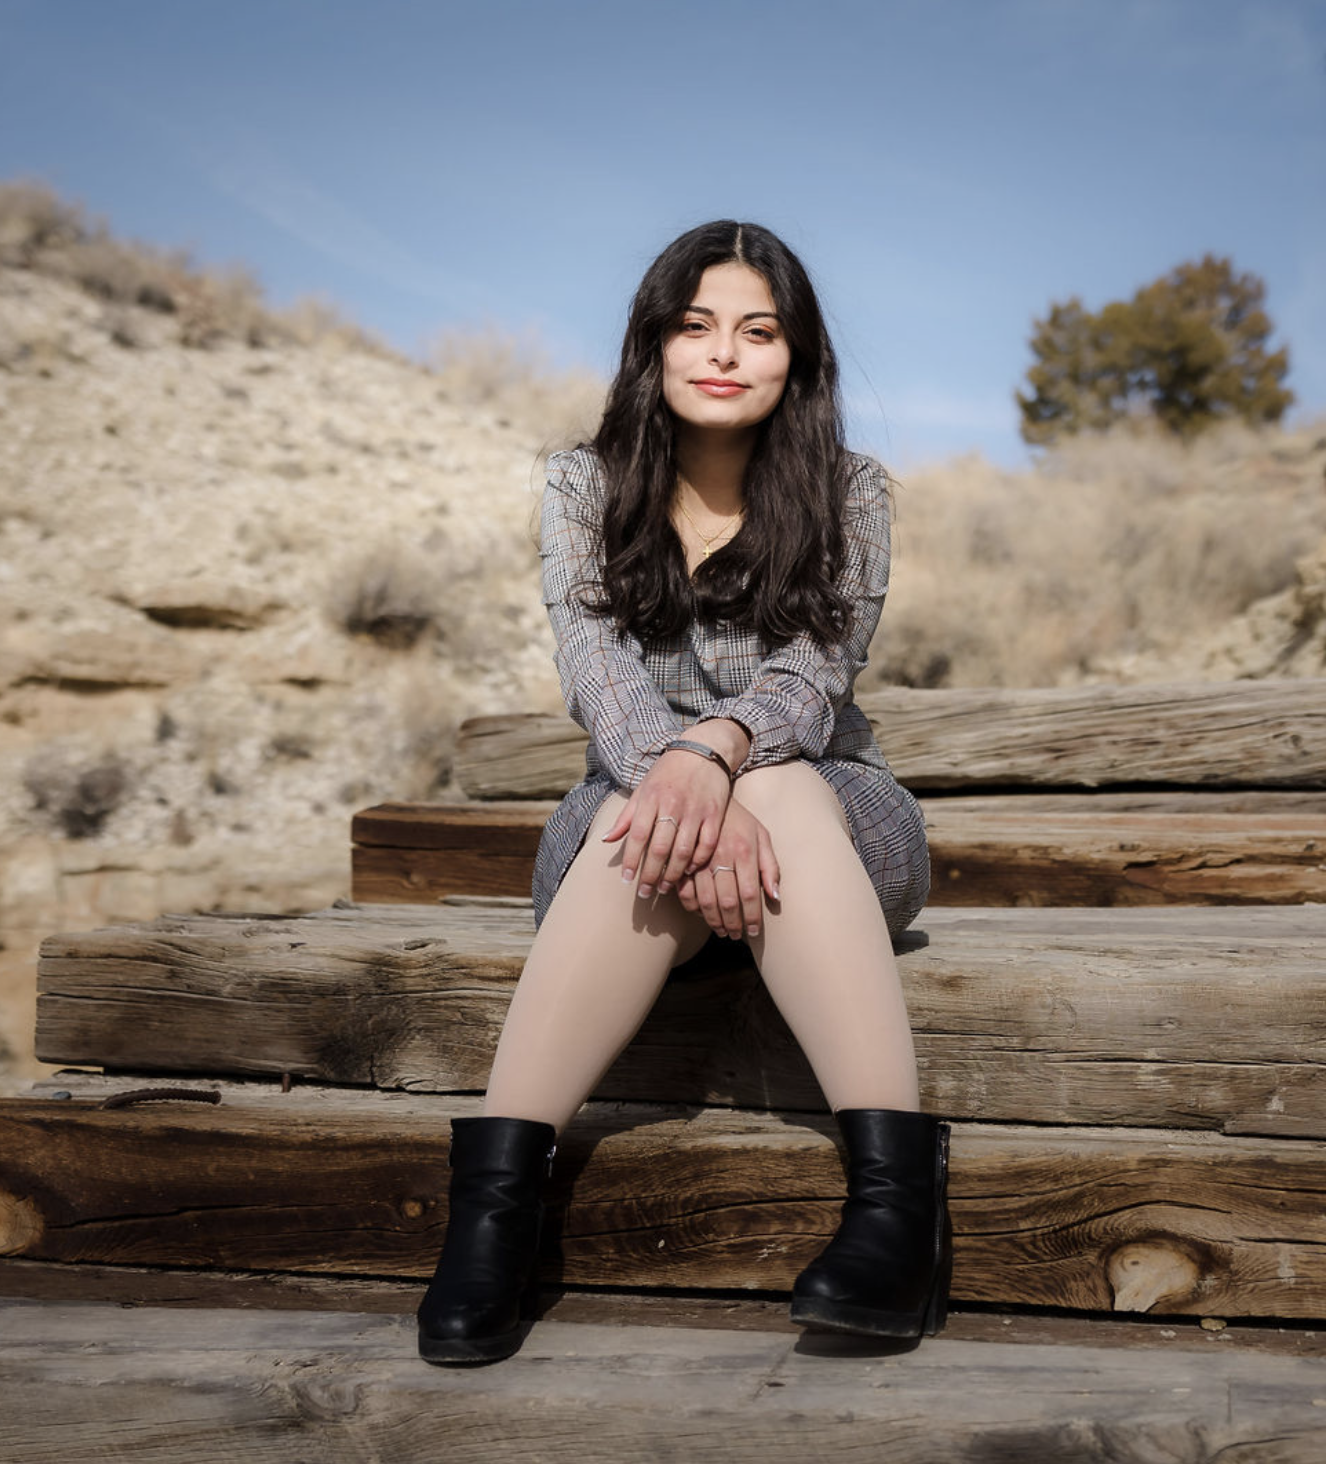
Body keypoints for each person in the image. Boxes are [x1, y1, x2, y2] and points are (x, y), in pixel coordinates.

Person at [415, 220, 942, 1365]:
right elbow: (598, 678)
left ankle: (896, 1221)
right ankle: (494, 1223)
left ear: (795, 357)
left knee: (787, 784)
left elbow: (815, 676)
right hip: (628, 823)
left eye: (758, 332)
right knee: (655, 804)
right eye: (696, 325)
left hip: (836, 821)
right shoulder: (581, 486)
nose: (724, 353)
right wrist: (684, 781)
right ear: (652, 343)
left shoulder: (852, 492)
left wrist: (720, 756)